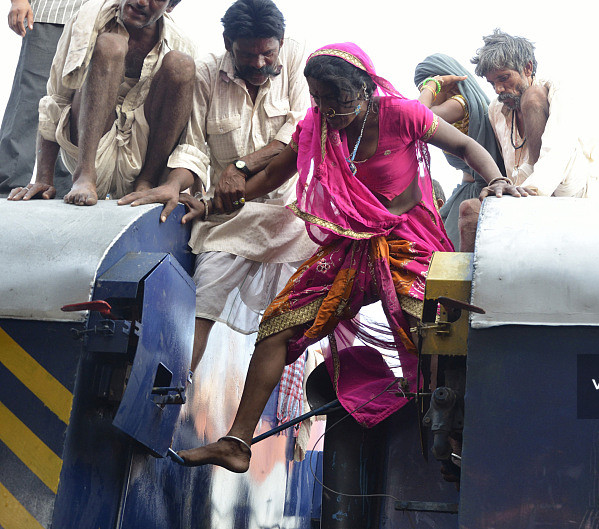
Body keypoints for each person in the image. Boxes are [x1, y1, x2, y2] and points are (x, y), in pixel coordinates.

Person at [175, 42, 509, 473]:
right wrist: (212, 203)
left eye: (337, 101)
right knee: (277, 325)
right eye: (319, 100)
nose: (328, 111)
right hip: (350, 245)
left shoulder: (401, 113)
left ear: (365, 90)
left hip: (408, 239)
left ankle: (455, 439)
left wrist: (498, 179)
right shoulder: (318, 124)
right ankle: (236, 444)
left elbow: (465, 147)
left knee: (432, 329)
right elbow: (276, 173)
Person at [117, 0, 316, 373]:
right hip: (226, 216)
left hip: (290, 218)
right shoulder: (207, 74)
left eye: (267, 53)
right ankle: (171, 391)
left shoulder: (296, 59)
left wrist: (238, 167)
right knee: (202, 302)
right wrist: (174, 186)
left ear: (281, 42)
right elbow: (192, 148)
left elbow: (297, 134)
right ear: (227, 43)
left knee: (287, 326)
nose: (259, 64)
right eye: (247, 54)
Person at [7, 0, 195, 206]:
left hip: (142, 157)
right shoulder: (88, 19)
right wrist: (44, 179)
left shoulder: (180, 42)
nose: (141, 2)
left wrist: (186, 189)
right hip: (89, 147)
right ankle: (85, 176)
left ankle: (147, 182)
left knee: (182, 64)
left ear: (170, 6)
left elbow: (190, 132)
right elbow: (57, 99)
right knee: (111, 45)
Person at [458, 29, 594, 251]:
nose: (499, 89)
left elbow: (558, 152)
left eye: (504, 78)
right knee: (470, 211)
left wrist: (530, 193)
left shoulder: (557, 89)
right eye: (493, 83)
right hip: (520, 197)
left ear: (528, 68)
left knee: (532, 97)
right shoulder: (496, 109)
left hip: (564, 192)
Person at [414, 53, 505, 249]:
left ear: (448, 85)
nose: (425, 94)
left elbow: (416, 117)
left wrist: (431, 86)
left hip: (475, 193)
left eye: (428, 88)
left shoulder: (459, 103)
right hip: (464, 189)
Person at [0, 0, 86, 198]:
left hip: (104, 16)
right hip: (52, 14)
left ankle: (64, 190)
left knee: (80, 107)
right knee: (29, 101)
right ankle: (6, 188)